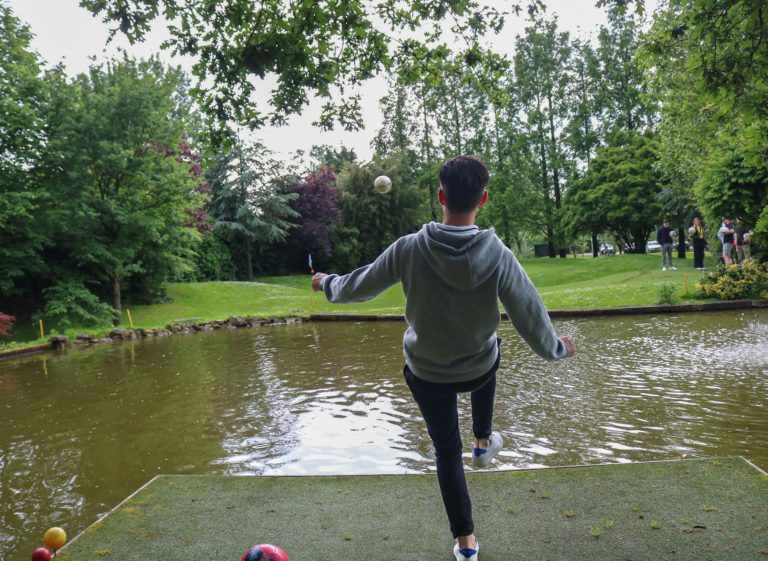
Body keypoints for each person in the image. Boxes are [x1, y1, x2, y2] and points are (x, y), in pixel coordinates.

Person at [311, 155, 575, 561]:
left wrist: (327, 282)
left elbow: (359, 286)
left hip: (427, 373)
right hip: (478, 369)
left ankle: (466, 544)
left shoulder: (409, 249)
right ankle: (484, 441)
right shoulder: (499, 254)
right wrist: (557, 348)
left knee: (447, 452)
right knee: (493, 348)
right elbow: (528, 312)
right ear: (482, 199)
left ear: (440, 197)